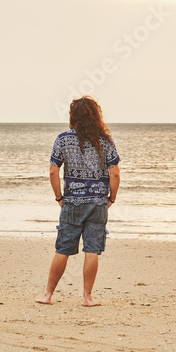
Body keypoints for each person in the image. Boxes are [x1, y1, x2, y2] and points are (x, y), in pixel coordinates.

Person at [36, 97, 120, 307]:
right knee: (92, 249)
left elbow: (53, 171)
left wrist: (59, 198)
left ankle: (47, 295)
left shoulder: (63, 140)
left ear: (73, 116)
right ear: (95, 116)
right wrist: (111, 198)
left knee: (63, 248)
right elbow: (115, 174)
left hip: (72, 202)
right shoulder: (106, 141)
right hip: (98, 203)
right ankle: (87, 297)